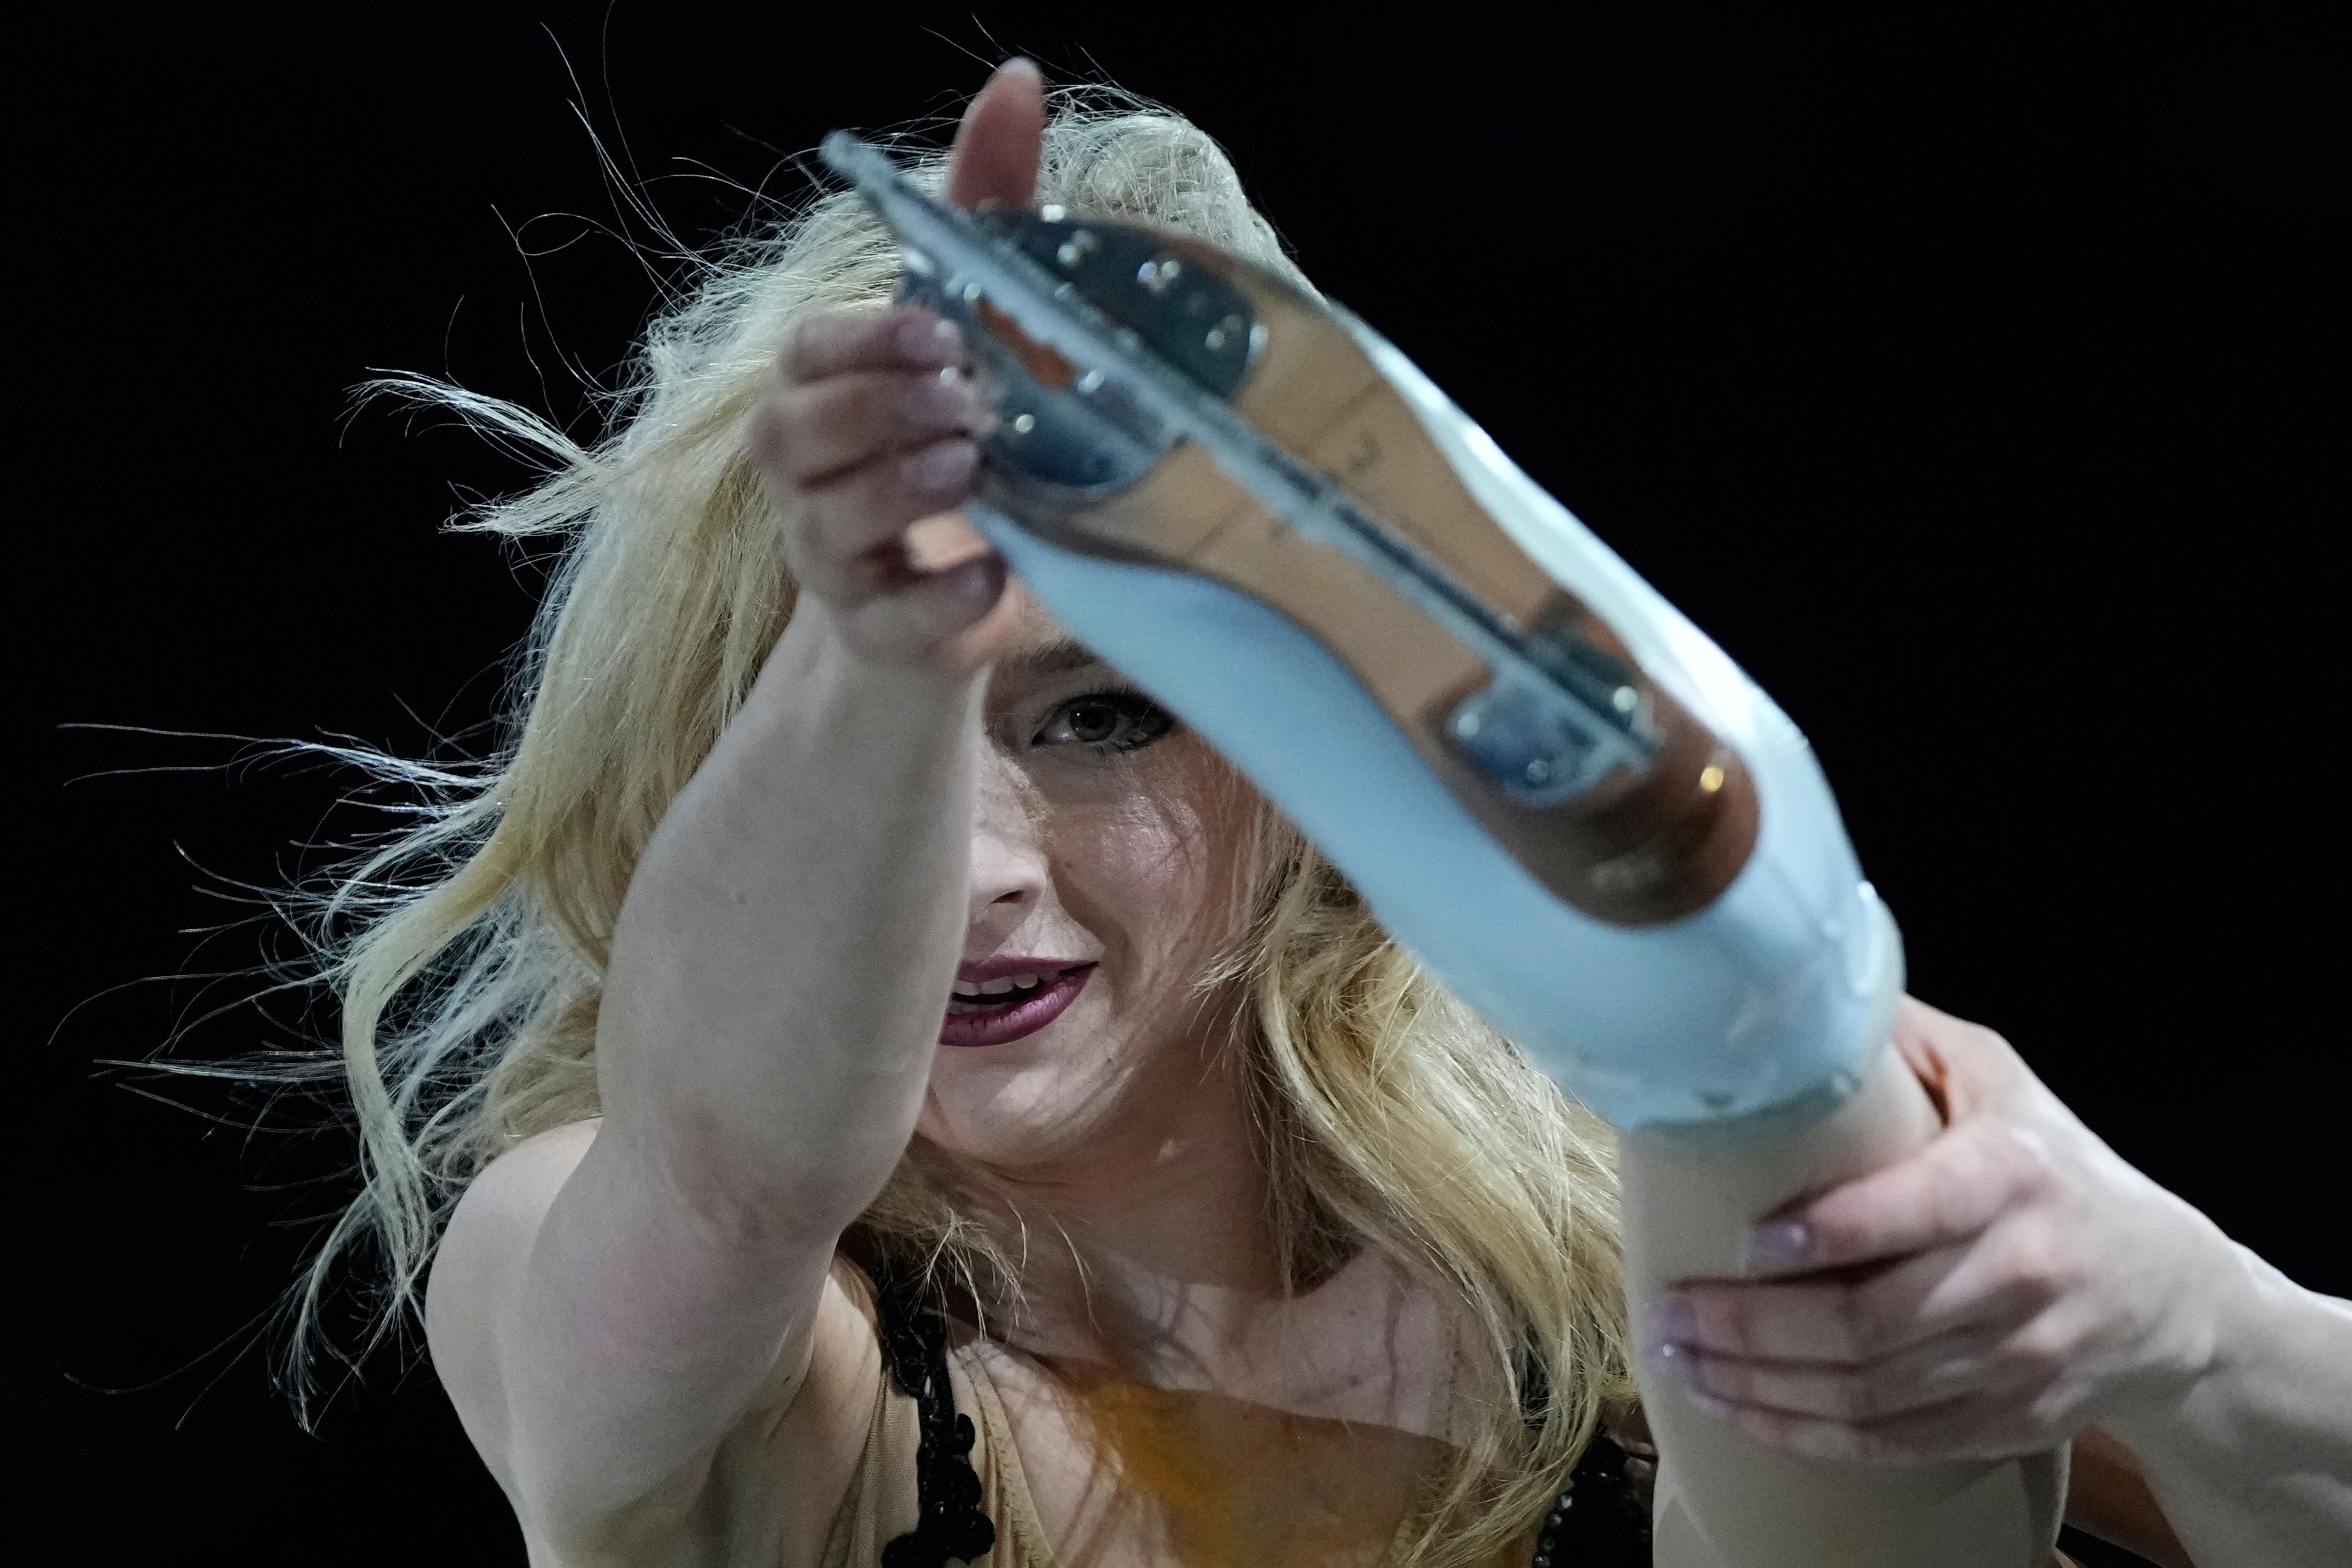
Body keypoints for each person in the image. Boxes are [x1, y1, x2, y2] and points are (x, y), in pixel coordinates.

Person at [307, 61, 2350, 1567]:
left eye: (1103, 716)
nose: (981, 875)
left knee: (1818, 1281)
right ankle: (1746, 1001)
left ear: (1304, 776)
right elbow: (730, 1177)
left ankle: (1742, 1013)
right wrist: (873, 639)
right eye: (900, 759)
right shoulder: (607, 1281)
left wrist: (2174, 1321)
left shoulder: (1631, 1229)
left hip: (1710, 1246)